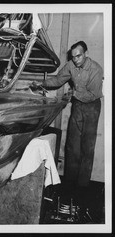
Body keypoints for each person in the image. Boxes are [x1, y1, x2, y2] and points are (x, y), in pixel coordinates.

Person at [32, 41, 103, 189]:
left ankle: (82, 186)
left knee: (87, 148)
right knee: (72, 146)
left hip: (92, 107)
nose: (75, 60)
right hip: (77, 106)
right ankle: (69, 184)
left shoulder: (96, 69)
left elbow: (93, 94)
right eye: (73, 57)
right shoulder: (71, 65)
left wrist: (74, 93)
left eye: (79, 56)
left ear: (86, 54)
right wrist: (42, 83)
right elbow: (58, 80)